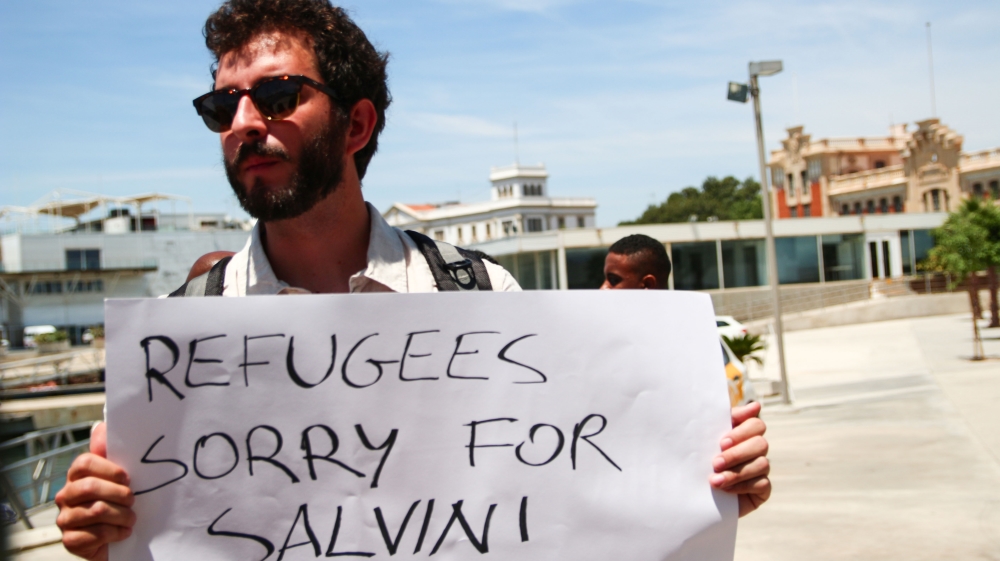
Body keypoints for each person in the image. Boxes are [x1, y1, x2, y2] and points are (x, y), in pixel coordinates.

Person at [54, 3, 768, 558]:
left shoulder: (486, 297)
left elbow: (584, 495)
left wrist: (708, 479)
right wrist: (105, 528)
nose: (242, 122)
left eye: (274, 95)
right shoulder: (174, 344)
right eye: (221, 105)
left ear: (357, 123)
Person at [600, 234, 771, 516]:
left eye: (613, 279)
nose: (602, 289)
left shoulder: (695, 352)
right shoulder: (597, 348)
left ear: (647, 285)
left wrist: (730, 492)